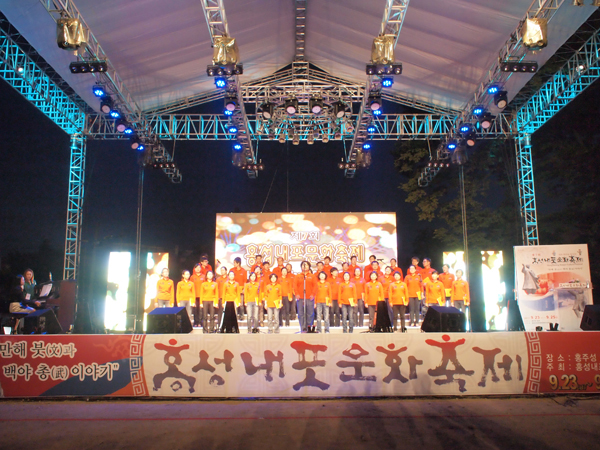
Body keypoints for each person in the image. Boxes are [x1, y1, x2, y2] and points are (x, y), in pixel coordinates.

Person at [293, 261, 316, 332]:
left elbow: (315, 286)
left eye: (306, 265)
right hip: (300, 298)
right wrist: (296, 294)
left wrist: (312, 294)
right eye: (303, 265)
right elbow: (295, 286)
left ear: (309, 267)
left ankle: (309, 328)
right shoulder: (298, 276)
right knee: (301, 314)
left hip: (309, 298)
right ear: (301, 267)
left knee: (310, 314)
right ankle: (302, 328)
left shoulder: (312, 276)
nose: (305, 266)